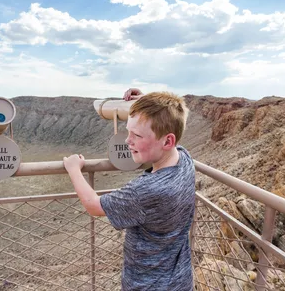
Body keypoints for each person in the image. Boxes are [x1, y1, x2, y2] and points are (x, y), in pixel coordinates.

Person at [63, 88, 196, 291]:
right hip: (180, 280)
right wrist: (146, 100)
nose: (127, 140)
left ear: (167, 141)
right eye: (128, 131)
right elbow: (170, 127)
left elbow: (94, 206)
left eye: (137, 135)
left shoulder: (145, 191)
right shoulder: (185, 160)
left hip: (146, 284)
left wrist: (74, 169)